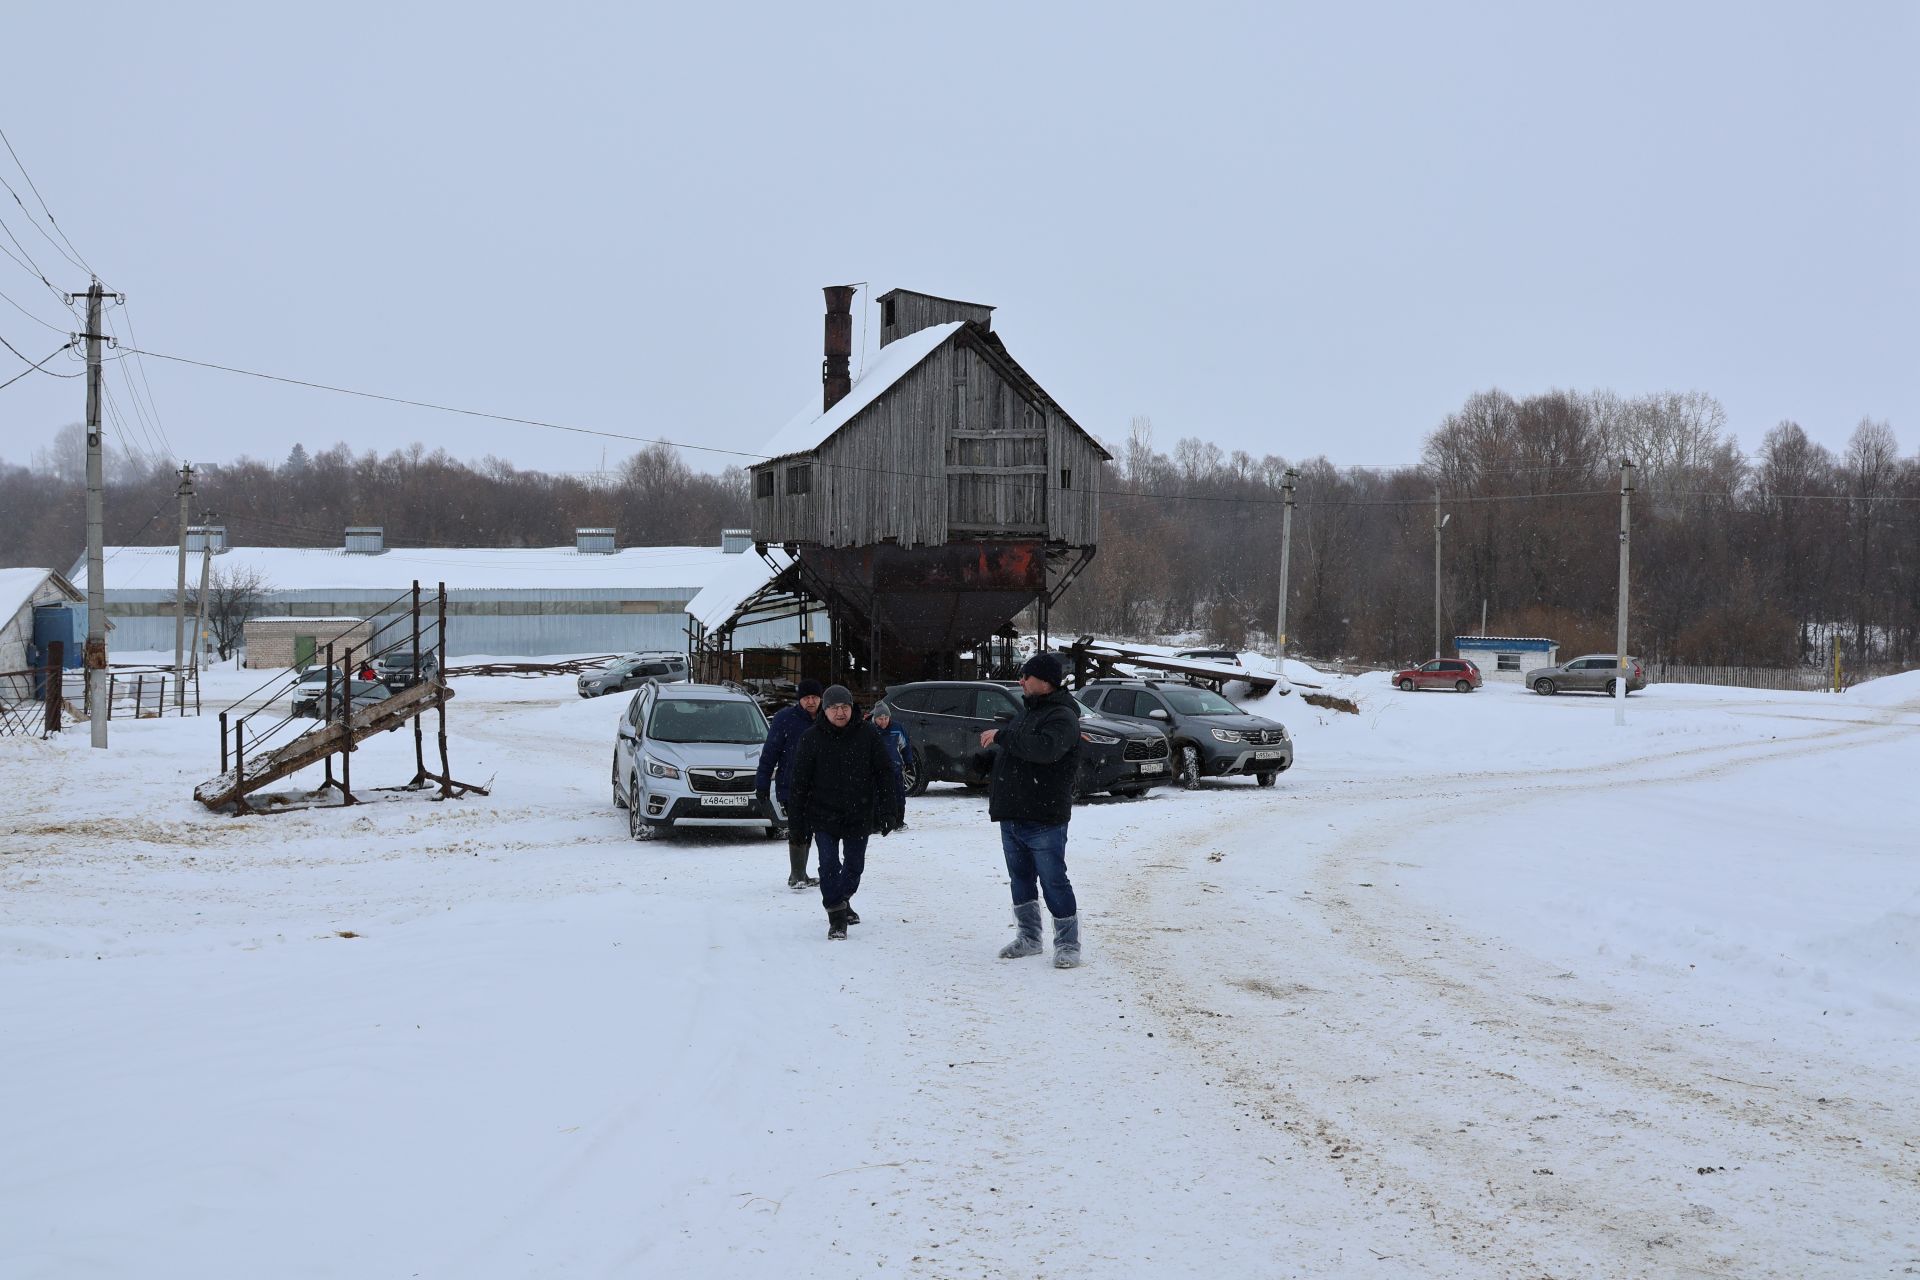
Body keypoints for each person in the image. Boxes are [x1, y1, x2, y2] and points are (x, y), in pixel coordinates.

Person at [977, 652, 1084, 968]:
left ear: (1046, 682)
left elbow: (1044, 750)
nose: (1020, 680)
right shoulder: (1028, 712)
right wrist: (988, 762)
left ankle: (1067, 944)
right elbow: (1020, 750)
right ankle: (1029, 938)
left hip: (1044, 817)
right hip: (1012, 814)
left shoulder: (1063, 716)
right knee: (1020, 879)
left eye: (1026, 676)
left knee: (1053, 881)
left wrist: (1002, 735)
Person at [790, 685, 900, 940]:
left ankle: (843, 897)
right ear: (824, 710)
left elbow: (884, 773)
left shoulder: (868, 735)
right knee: (828, 865)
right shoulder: (811, 738)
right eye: (834, 708)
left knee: (854, 866)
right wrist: (797, 825)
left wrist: (889, 811)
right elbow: (799, 784)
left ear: (852, 708)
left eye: (845, 707)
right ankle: (837, 916)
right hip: (823, 815)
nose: (840, 713)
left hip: (858, 813)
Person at [756, 678, 823, 890]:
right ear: (799, 700)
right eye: (806, 698)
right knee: (797, 828)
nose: (811, 702)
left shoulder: (826, 719)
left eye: (814, 697)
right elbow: (770, 753)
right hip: (791, 786)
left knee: (810, 829)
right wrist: (762, 783)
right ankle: (796, 875)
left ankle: (801, 873)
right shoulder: (785, 719)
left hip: (819, 787)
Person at [870, 702, 913, 830]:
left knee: (898, 796)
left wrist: (909, 762)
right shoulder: (869, 730)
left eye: (886, 718)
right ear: (875, 718)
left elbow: (905, 747)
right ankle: (876, 823)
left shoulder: (897, 728)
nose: (883, 722)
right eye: (880, 719)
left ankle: (899, 821)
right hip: (875, 771)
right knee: (876, 797)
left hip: (894, 769)